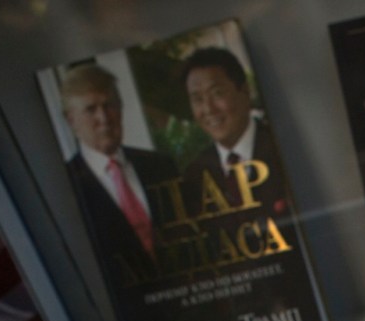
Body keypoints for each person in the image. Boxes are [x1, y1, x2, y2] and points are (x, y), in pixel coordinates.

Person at [56, 62, 178, 282]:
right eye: (91, 109)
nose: (104, 118)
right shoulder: (63, 187)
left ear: (121, 108)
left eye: (109, 105)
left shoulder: (161, 167)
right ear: (70, 120)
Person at [178, 46, 288, 223]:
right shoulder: (195, 176)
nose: (208, 109)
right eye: (198, 99)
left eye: (217, 93)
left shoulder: (283, 147)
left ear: (244, 91)